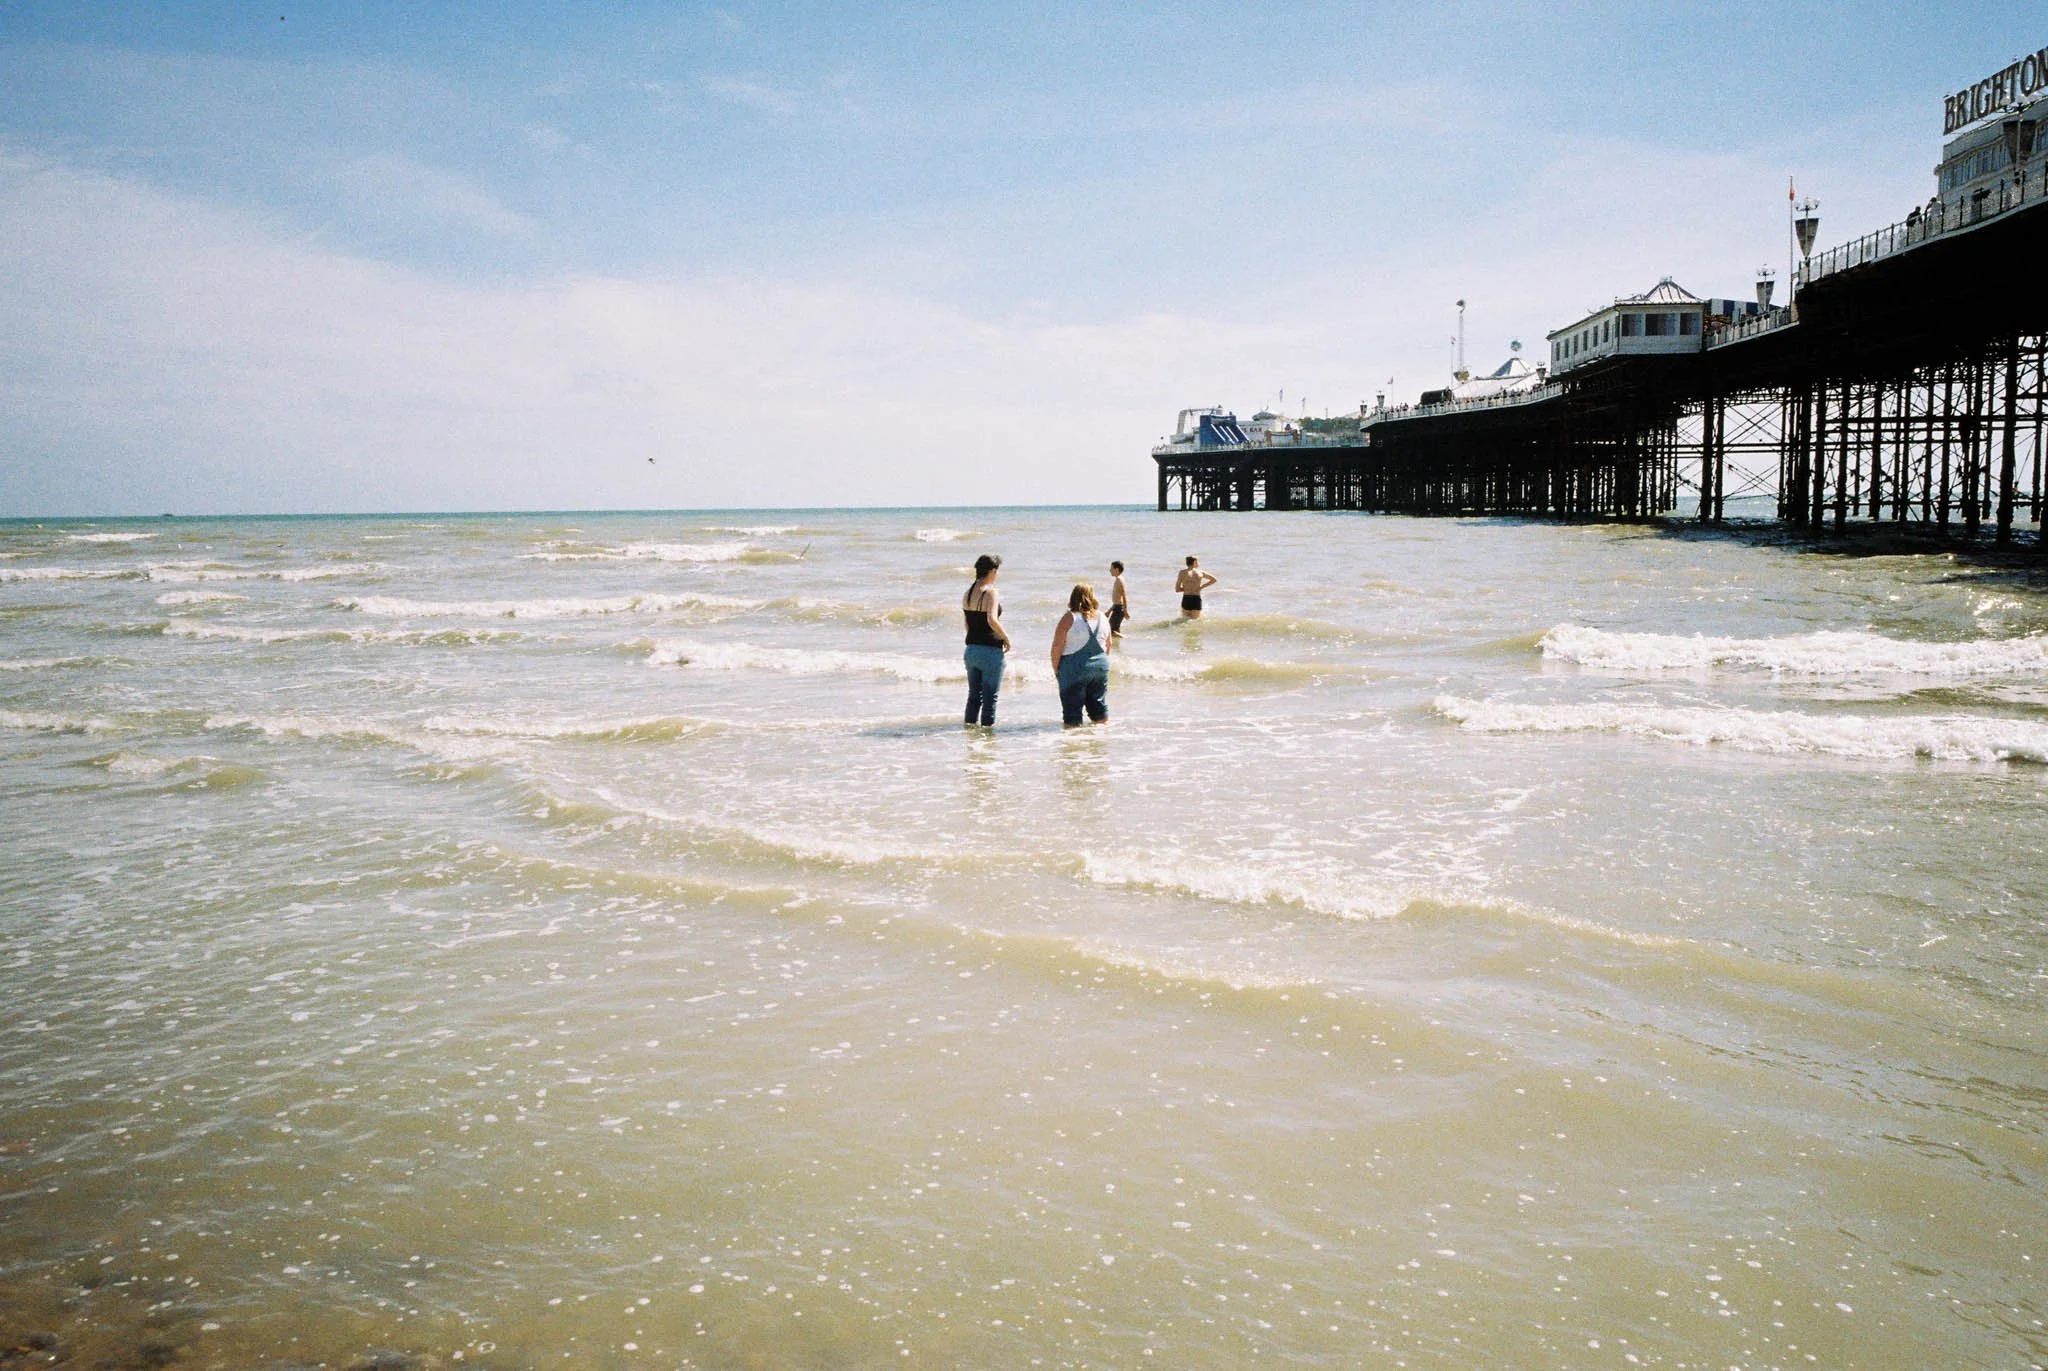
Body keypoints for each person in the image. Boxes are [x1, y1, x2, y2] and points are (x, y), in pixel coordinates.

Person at [1050, 583, 1110, 728]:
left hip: (1075, 668)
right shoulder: (1102, 617)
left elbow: (1057, 646)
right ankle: (1101, 740)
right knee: (1098, 709)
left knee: (1072, 713)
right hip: (1100, 666)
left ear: (1073, 597)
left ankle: (1073, 744)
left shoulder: (1070, 617)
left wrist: (1056, 668)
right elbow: (1108, 645)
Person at [962, 554, 1010, 727]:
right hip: (990, 652)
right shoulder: (990, 592)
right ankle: (987, 742)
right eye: (996, 571)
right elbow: (991, 619)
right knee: (990, 700)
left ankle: (970, 736)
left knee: (974, 697)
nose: (996, 575)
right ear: (991, 571)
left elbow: (967, 624)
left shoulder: (967, 594)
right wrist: (1006, 637)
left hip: (971, 650)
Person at [1107, 561, 1130, 641]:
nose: (1110, 570)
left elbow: (1123, 596)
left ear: (1116, 569)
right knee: (1115, 630)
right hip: (1117, 608)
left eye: (1111, 568)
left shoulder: (1119, 580)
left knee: (1110, 631)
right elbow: (1117, 600)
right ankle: (1118, 648)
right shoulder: (1118, 579)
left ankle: (1128, 639)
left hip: (1119, 609)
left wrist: (1125, 610)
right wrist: (1109, 611)